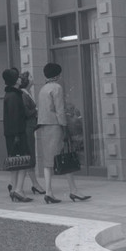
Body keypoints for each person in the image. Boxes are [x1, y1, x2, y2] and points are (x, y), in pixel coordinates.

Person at [37, 62, 91, 204]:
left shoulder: (42, 89)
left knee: (48, 161)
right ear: (58, 74)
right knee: (65, 156)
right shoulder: (57, 88)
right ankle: (73, 190)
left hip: (44, 127)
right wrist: (65, 126)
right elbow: (60, 110)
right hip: (56, 126)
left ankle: (49, 192)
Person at [2, 68, 32, 203]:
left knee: (15, 163)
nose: (20, 78)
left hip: (12, 134)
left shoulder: (10, 94)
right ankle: (19, 190)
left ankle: (14, 189)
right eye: (17, 77)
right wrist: (17, 136)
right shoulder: (14, 96)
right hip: (17, 134)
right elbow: (15, 117)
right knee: (23, 162)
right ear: (14, 80)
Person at [19, 71, 45, 195]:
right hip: (27, 128)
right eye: (30, 76)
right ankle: (33, 184)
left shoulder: (27, 93)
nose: (32, 78)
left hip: (30, 127)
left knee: (29, 156)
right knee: (29, 156)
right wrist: (36, 110)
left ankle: (21, 184)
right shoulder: (23, 95)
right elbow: (25, 112)